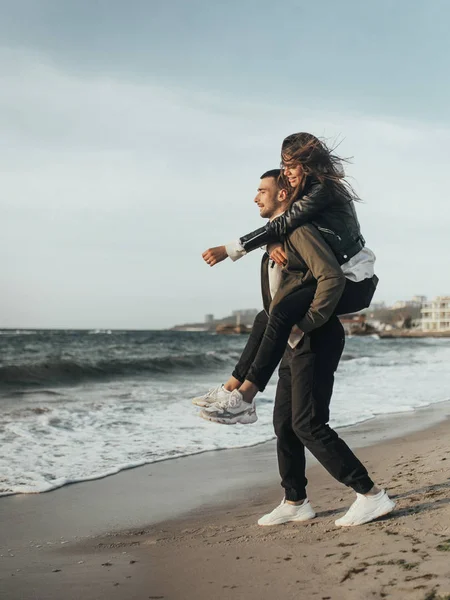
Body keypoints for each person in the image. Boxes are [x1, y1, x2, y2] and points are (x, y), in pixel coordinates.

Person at [197, 169, 396, 527]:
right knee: (285, 425)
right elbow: (273, 308)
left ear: (284, 196)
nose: (256, 197)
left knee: (308, 423)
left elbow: (328, 279)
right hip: (294, 342)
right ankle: (295, 500)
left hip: (315, 338)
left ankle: (371, 495)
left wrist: (308, 323)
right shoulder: (282, 237)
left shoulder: (301, 230)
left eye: (262, 191)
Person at [199, 134, 377, 423]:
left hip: (353, 279)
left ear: (309, 164)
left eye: (291, 165)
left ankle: (245, 397)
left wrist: (231, 249)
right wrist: (272, 243)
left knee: (280, 313)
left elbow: (285, 221)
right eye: (284, 166)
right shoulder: (310, 193)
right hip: (337, 274)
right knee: (266, 317)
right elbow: (283, 224)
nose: (286, 173)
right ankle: (234, 388)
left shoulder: (324, 190)